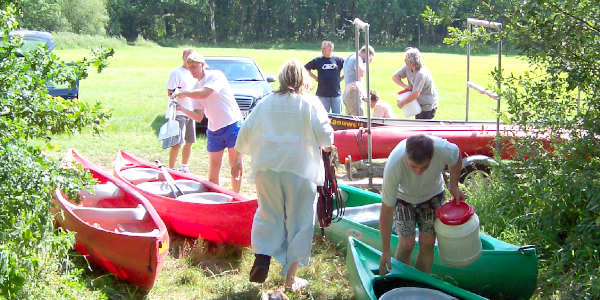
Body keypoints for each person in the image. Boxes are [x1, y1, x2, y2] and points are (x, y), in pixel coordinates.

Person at [235, 58, 334, 292]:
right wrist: (328, 147)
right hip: (300, 170)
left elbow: (245, 134)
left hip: (266, 168)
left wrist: (240, 157)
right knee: (299, 221)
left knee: (268, 214)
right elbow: (326, 137)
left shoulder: (264, 103)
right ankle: (290, 280)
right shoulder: (310, 103)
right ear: (303, 80)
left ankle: (262, 254)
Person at [378, 134, 464, 275]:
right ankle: (400, 281)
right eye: (413, 166)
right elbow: (386, 211)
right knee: (407, 243)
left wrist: (453, 185)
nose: (418, 172)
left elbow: (457, 156)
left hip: (433, 195)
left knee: (428, 243)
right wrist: (385, 251)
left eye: (424, 167)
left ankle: (419, 285)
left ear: (432, 157)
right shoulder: (394, 164)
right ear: (406, 157)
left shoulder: (442, 149)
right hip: (403, 198)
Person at [173, 52, 243, 193]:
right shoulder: (193, 88)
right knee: (213, 168)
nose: (192, 70)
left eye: (195, 66)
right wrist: (181, 109)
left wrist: (184, 93)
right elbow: (198, 117)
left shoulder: (215, 75)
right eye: (189, 67)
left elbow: (205, 93)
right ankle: (215, 199)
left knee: (235, 165)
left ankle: (236, 196)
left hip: (232, 124)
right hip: (214, 129)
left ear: (203, 65)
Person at [164, 49, 199, 172]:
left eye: (192, 58)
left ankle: (184, 166)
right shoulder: (176, 72)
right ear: (183, 58)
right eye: (187, 57)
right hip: (179, 111)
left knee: (190, 141)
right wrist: (180, 94)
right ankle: (172, 168)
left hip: (191, 111)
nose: (190, 61)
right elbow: (170, 92)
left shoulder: (194, 73)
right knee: (177, 142)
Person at [392, 47, 439, 119]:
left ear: (412, 61)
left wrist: (402, 103)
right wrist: (405, 86)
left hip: (428, 106)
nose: (404, 60)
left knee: (423, 127)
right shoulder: (407, 67)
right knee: (418, 124)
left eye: (406, 59)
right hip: (418, 104)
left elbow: (415, 94)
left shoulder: (421, 73)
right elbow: (395, 77)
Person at [304, 40, 344, 114]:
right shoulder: (318, 60)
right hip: (322, 94)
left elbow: (349, 69)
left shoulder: (339, 60)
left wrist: (341, 78)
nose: (322, 50)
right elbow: (305, 68)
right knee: (322, 117)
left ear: (331, 49)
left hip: (336, 94)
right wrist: (315, 78)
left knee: (338, 118)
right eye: (322, 48)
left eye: (324, 48)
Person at [342, 45, 375, 116]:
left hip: (347, 92)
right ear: (366, 53)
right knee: (359, 119)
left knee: (350, 121)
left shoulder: (350, 56)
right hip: (354, 93)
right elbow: (361, 73)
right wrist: (367, 63)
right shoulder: (358, 59)